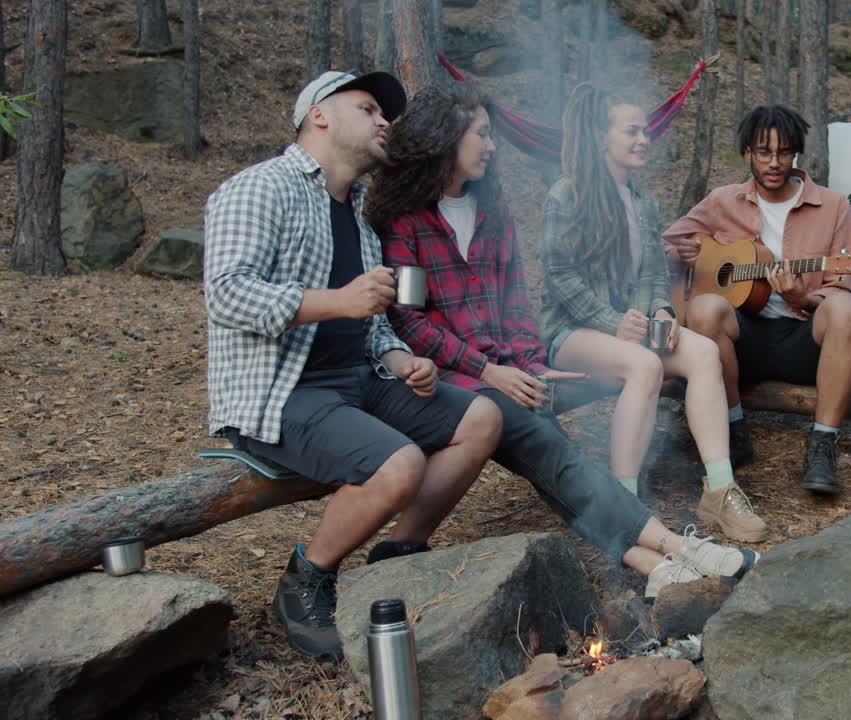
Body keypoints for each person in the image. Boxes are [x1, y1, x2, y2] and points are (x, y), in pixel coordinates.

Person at [367, 83, 760, 599]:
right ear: (445, 139)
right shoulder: (407, 220)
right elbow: (410, 322)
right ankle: (679, 548)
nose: (491, 146)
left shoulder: (490, 211)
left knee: (560, 470)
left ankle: (654, 565)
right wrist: (490, 371)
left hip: (510, 375)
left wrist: (532, 364)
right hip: (458, 384)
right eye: (482, 134)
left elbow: (514, 305)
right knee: (561, 461)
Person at [203, 70, 504, 660]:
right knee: (400, 466)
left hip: (358, 382)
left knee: (482, 419)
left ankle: (398, 553)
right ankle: (307, 578)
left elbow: (373, 323)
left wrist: (400, 357)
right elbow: (227, 294)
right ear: (319, 115)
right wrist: (339, 302)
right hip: (282, 391)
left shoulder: (358, 216)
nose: (383, 122)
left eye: (382, 113)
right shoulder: (261, 188)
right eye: (367, 108)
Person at [538, 83, 764, 543]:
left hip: (631, 333)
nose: (644, 139)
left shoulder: (643, 202)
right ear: (603, 137)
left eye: (646, 131)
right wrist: (610, 321)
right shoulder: (567, 195)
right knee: (643, 364)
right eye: (632, 131)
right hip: (573, 334)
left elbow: (655, 276)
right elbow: (560, 277)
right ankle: (623, 503)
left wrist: (661, 309)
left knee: (702, 353)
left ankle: (719, 489)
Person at [663, 105, 851, 495]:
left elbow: (842, 284)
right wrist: (680, 257)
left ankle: (823, 445)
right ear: (747, 153)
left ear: (796, 154)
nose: (775, 163)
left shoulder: (834, 205)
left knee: (848, 308)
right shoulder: (722, 201)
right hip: (740, 347)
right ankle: (733, 430)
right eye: (763, 152)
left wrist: (802, 296)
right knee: (704, 306)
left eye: (785, 152)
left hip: (805, 342)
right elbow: (669, 244)